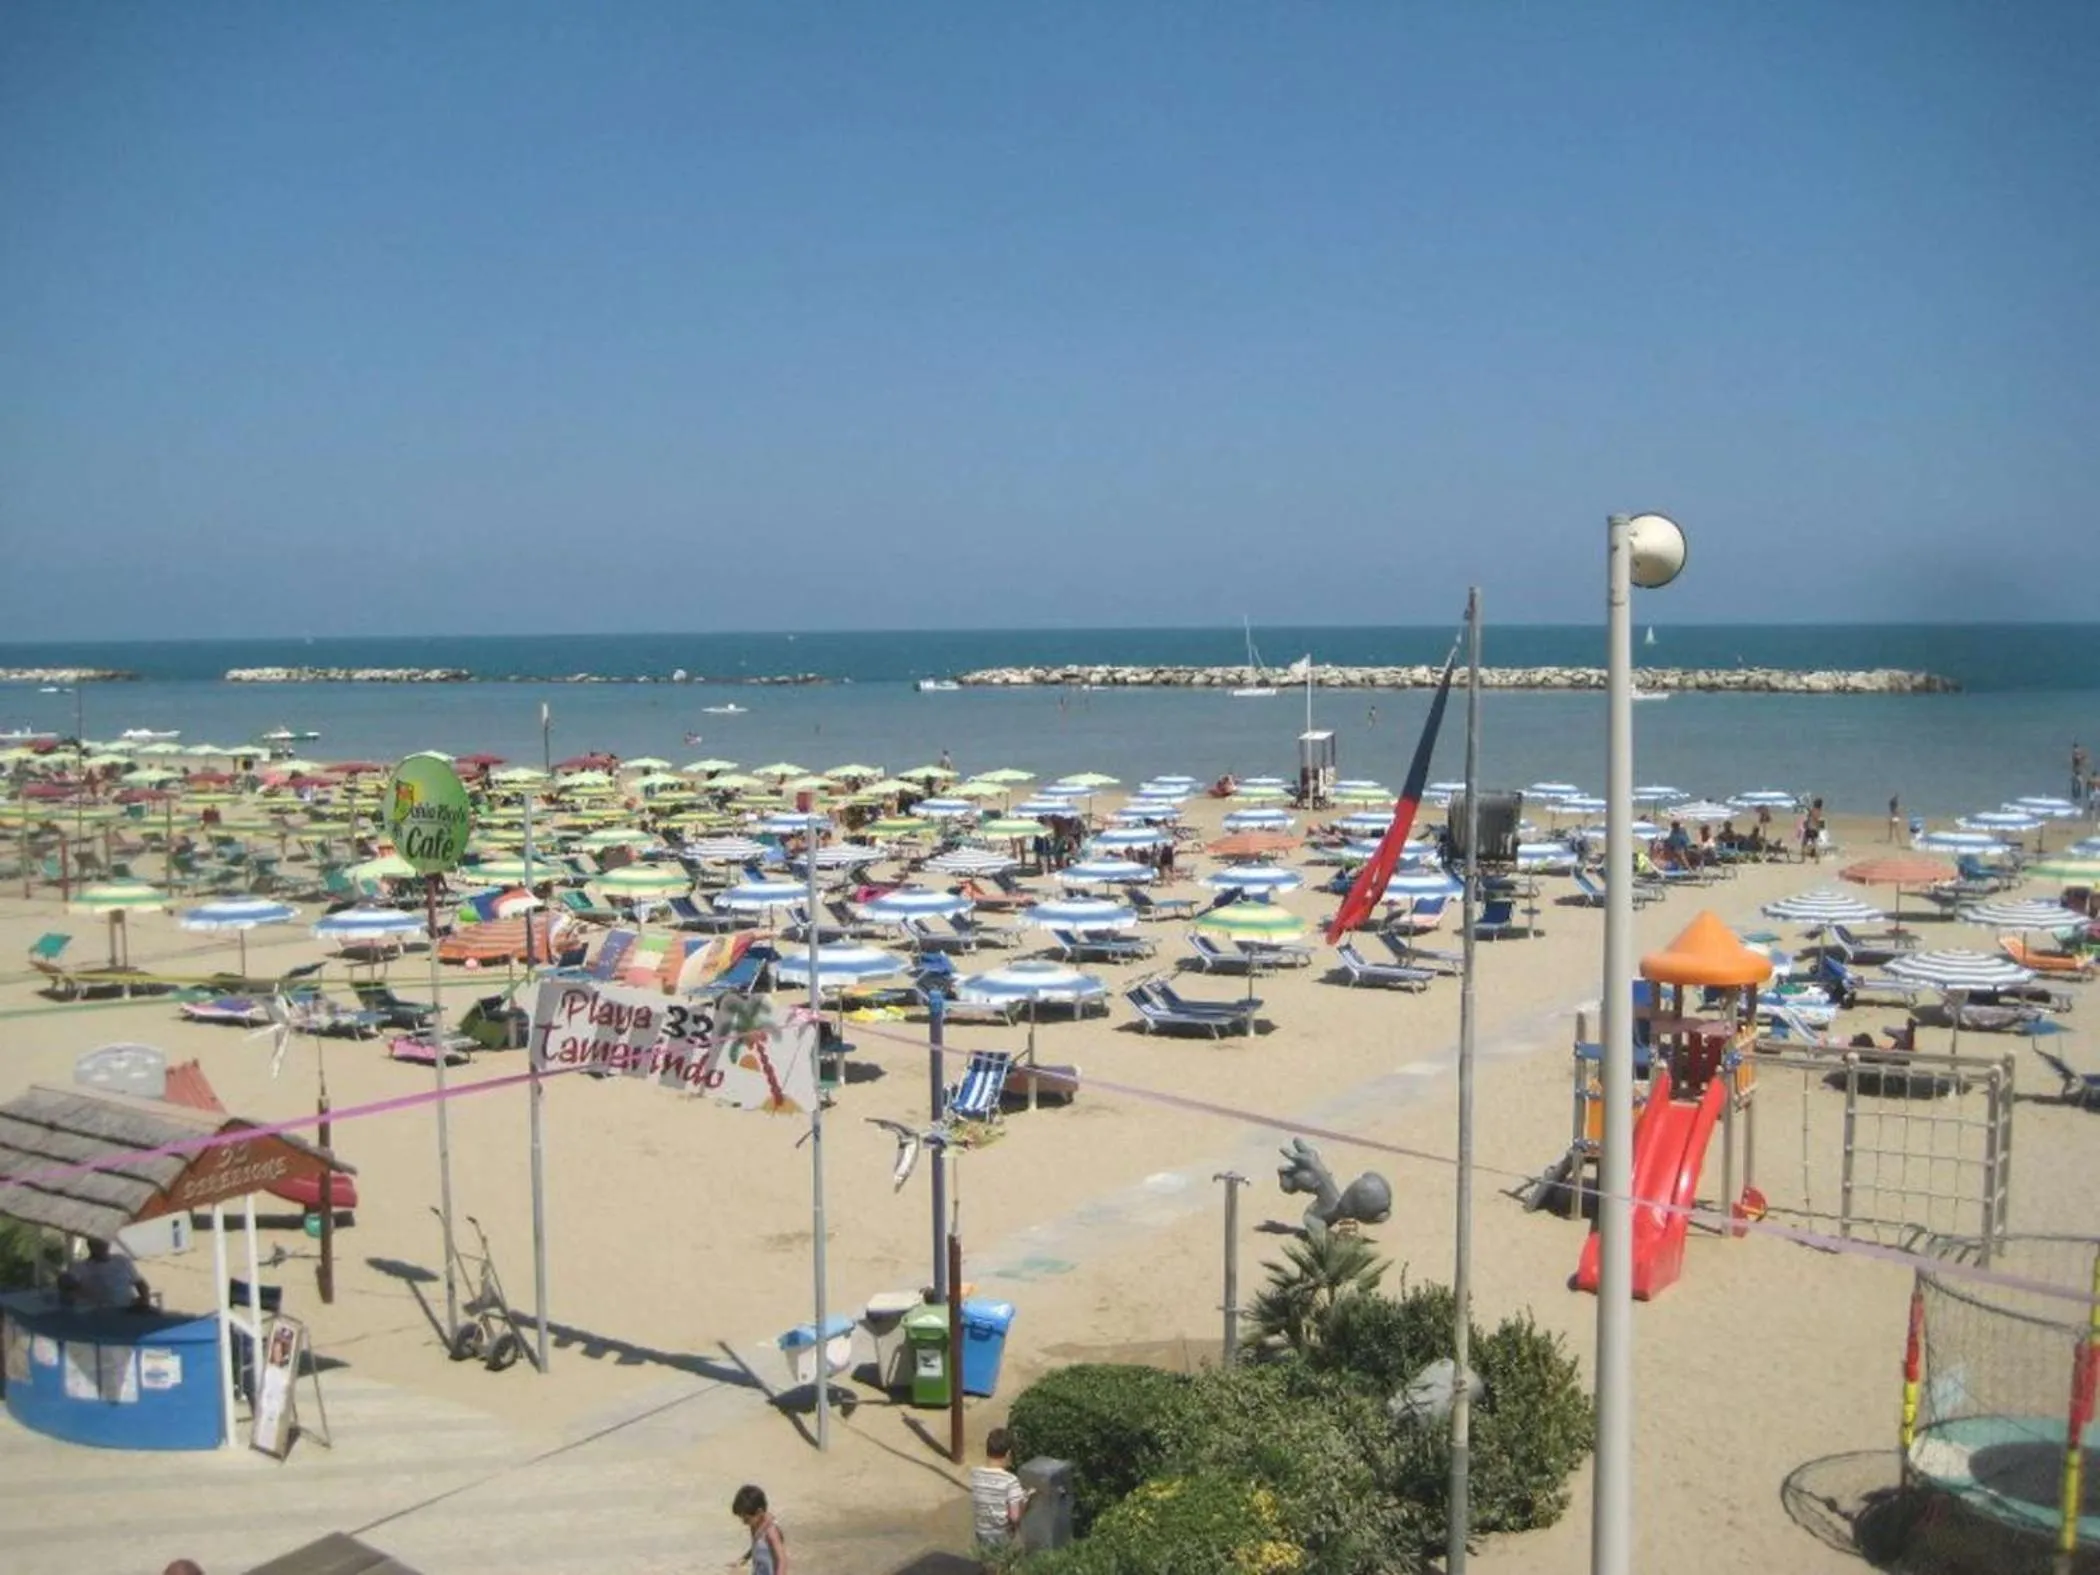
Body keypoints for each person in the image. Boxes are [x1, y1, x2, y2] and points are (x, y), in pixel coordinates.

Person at [971, 1427, 1032, 1557]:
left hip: (981, 1530)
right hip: (1001, 1533)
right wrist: (1025, 1501)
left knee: (987, 1561)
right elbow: (1014, 1516)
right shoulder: (1010, 1481)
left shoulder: (975, 1474)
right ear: (1008, 1453)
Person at [58, 1238, 149, 1310]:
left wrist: (144, 1300)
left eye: (103, 1242)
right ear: (90, 1246)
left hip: (126, 1309)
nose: (101, 1246)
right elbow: (68, 1284)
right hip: (97, 1312)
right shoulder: (80, 1267)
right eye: (97, 1244)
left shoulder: (121, 1260)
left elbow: (140, 1283)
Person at [730, 1484, 788, 1574]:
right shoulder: (755, 1526)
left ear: (759, 1512)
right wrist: (744, 1559)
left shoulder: (771, 1531)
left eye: (747, 1519)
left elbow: (782, 1560)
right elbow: (756, 1546)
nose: (744, 1522)